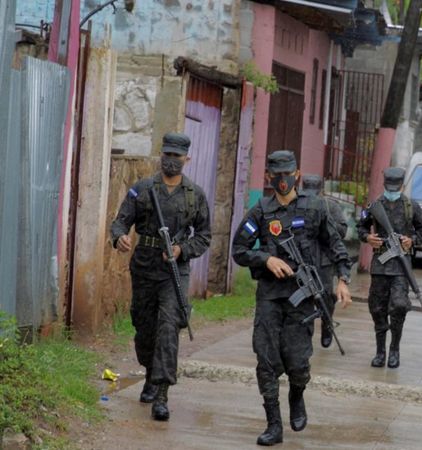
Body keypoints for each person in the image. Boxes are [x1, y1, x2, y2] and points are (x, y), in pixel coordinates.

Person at [232, 151, 353, 446]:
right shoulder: (260, 211)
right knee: (266, 360)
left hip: (302, 300)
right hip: (270, 297)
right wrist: (265, 259)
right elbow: (239, 249)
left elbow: (335, 244)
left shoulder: (316, 208)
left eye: (287, 174)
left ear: (297, 175)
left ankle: (297, 395)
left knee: (298, 364)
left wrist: (343, 279)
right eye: (276, 175)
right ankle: (274, 424)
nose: (282, 181)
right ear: (269, 177)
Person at [110, 132, 211, 422]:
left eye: (177, 157)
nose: (171, 161)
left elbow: (204, 236)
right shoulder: (142, 189)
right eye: (167, 155)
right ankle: (151, 375)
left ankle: (163, 394)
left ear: (186, 159)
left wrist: (182, 249)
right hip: (144, 266)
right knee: (144, 328)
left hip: (173, 272)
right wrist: (119, 238)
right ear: (161, 155)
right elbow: (120, 222)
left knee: (168, 328)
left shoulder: (195, 195)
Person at [357, 167, 422, 369]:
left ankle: (394, 349)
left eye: (395, 187)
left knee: (398, 306)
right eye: (390, 187)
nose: (392, 190)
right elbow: (361, 226)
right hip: (380, 266)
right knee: (377, 309)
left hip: (400, 267)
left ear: (402, 186)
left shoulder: (410, 206)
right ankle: (380, 351)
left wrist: (411, 240)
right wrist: (368, 237)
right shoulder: (374, 206)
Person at [301, 174, 348, 349]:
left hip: (324, 260)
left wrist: (326, 223)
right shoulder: (297, 205)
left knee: (326, 297)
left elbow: (343, 231)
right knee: (304, 297)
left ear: (321, 191)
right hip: (303, 259)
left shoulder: (331, 206)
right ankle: (305, 331)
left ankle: (327, 324)